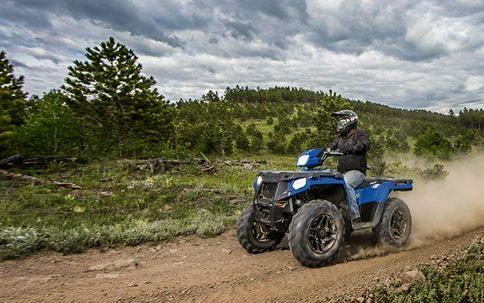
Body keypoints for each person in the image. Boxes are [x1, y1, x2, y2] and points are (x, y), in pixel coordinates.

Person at [327, 110, 370, 223]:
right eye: (339, 121)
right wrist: (324, 151)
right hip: (341, 171)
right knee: (325, 181)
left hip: (357, 172)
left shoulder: (360, 134)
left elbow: (364, 145)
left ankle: (355, 216)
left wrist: (351, 148)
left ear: (350, 122)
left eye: (342, 121)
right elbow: (331, 145)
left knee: (347, 183)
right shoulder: (340, 137)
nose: (339, 124)